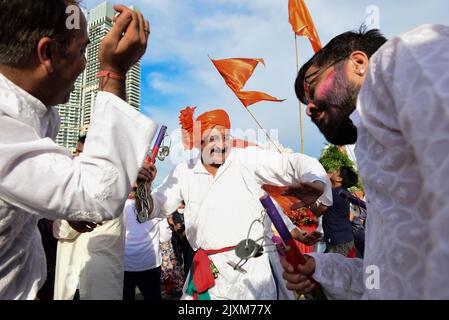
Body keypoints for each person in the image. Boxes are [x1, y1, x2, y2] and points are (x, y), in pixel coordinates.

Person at [0, 1, 157, 299]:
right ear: (47, 53)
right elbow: (100, 193)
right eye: (83, 51)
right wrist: (113, 73)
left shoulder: (35, 115)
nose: (87, 64)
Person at [282, 24, 449, 299]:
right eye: (305, 102)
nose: (310, 108)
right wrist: (319, 268)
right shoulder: (372, 145)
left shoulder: (401, 58)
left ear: (358, 63)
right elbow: (387, 279)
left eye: (312, 87)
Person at [148, 107, 332, 300]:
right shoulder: (184, 171)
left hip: (254, 274)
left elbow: (292, 164)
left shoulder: (247, 159)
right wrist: (144, 189)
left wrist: (317, 183)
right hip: (209, 274)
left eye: (225, 136)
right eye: (212, 138)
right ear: (199, 141)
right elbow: (156, 206)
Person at [53, 135, 125, 300]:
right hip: (71, 278)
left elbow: (64, 231)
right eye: (76, 152)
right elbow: (59, 231)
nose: (76, 158)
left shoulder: (111, 192)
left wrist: (67, 211)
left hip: (97, 281)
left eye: (82, 154)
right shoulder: (71, 188)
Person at [123, 189, 162, 300]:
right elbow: (164, 236)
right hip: (150, 263)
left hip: (125, 264)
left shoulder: (118, 206)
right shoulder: (155, 204)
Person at [321, 166, 358, 256]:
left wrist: (308, 201)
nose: (333, 171)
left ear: (338, 178)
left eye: (336, 171)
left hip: (338, 240)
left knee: (329, 268)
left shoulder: (333, 193)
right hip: (344, 238)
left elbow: (318, 211)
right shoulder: (344, 192)